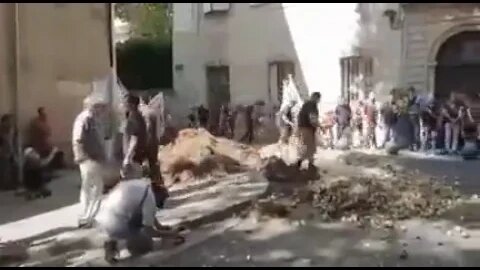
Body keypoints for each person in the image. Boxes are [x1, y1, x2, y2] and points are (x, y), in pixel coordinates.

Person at [96, 164, 184, 264]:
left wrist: (161, 227)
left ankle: (112, 243)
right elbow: (149, 231)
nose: (160, 206)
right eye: (161, 202)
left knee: (133, 215)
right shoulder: (150, 199)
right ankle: (121, 246)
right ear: (158, 197)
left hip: (104, 217)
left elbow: (148, 214)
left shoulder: (143, 186)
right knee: (146, 247)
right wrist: (171, 235)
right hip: (116, 223)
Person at [72, 96, 109, 228]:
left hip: (91, 158)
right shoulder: (86, 119)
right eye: (99, 107)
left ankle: (86, 216)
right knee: (95, 188)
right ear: (92, 106)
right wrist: (84, 156)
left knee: (89, 188)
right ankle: (88, 217)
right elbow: (78, 139)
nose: (102, 110)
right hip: (89, 159)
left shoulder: (92, 119)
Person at [296, 92, 321, 169]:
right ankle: (302, 165)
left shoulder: (306, 104)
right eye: (318, 99)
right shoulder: (312, 105)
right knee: (308, 147)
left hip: (303, 128)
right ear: (316, 98)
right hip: (307, 129)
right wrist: (319, 126)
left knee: (307, 147)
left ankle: (309, 164)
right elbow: (312, 118)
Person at [122, 95, 148, 168]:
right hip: (136, 155)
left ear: (131, 105)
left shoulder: (133, 118)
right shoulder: (137, 116)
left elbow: (134, 139)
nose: (123, 105)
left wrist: (128, 157)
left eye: (125, 103)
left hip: (134, 156)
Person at [0, 114, 18, 190]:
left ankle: (10, 183)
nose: (10, 122)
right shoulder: (1, 130)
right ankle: (5, 185)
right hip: (3, 153)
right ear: (4, 121)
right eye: (9, 120)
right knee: (5, 169)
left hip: (11, 152)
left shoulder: (11, 130)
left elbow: (13, 141)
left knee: (11, 168)